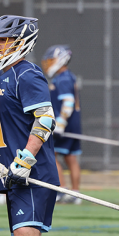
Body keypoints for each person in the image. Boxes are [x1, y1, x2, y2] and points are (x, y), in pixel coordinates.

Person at [0, 15, 56, 236]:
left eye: (2, 41)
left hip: (32, 173)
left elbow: (46, 118)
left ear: (21, 43)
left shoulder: (27, 73)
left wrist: (26, 159)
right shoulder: (4, 77)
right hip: (13, 173)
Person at [41, 45, 81, 203]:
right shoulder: (67, 77)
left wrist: (61, 123)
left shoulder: (63, 78)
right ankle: (76, 193)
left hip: (64, 125)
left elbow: (68, 102)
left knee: (51, 155)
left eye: (52, 61)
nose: (49, 64)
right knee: (71, 158)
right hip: (72, 124)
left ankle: (62, 190)